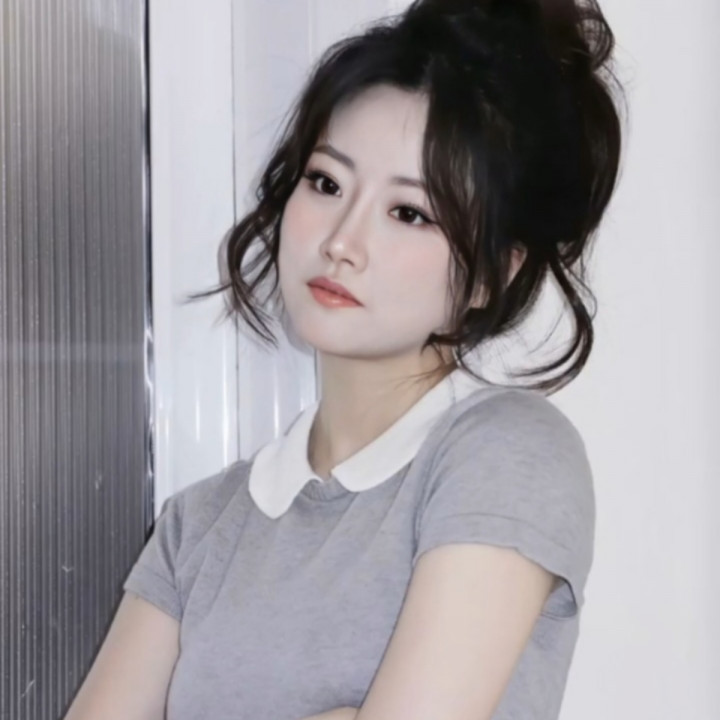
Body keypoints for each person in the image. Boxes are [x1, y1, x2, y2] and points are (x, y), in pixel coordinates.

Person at [64, 0, 624, 718]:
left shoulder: (506, 452)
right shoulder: (197, 525)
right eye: (326, 183)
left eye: (409, 213)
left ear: (492, 275)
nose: (341, 242)